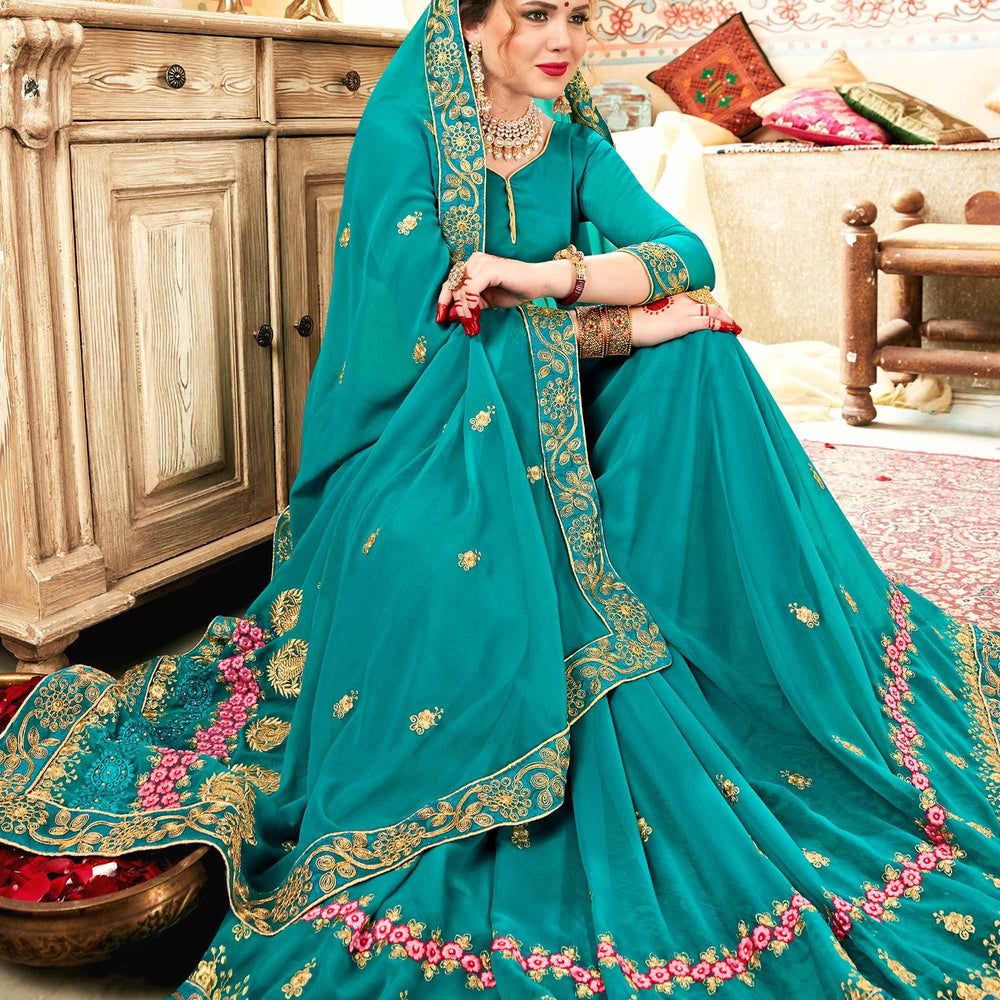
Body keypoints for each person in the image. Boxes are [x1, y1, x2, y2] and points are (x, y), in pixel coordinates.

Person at [1, 2, 998, 997]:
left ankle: (737, 638)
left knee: (707, 360)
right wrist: (633, 324)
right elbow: (437, 337)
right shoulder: (411, 139)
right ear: (474, 26)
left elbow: (683, 255)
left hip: (556, 401)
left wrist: (544, 275)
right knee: (655, 352)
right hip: (428, 434)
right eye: (534, 14)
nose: (563, 40)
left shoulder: (569, 143)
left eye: (578, 16)